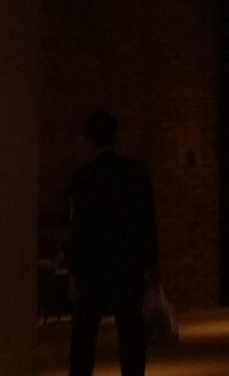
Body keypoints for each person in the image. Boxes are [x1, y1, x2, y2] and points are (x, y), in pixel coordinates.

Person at [65, 110, 160, 376]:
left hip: (92, 266)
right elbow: (147, 221)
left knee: (84, 334)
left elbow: (77, 229)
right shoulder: (136, 173)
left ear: (90, 139)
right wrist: (152, 263)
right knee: (131, 331)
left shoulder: (83, 178)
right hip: (128, 264)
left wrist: (73, 272)